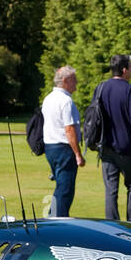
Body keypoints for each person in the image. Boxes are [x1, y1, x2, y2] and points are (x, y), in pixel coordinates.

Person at [98, 54, 131, 222]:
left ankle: (112, 224)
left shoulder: (101, 88)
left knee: (111, 189)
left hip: (106, 147)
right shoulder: (129, 90)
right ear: (124, 70)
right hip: (127, 147)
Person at [41, 65, 84, 217]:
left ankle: (54, 216)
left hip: (50, 147)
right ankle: (58, 219)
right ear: (65, 81)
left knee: (61, 185)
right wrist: (78, 154)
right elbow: (69, 129)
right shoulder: (66, 101)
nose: (76, 83)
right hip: (64, 148)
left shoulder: (48, 99)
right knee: (65, 188)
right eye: (74, 80)